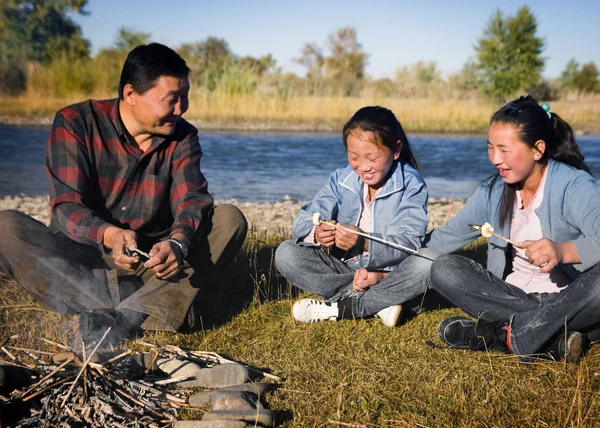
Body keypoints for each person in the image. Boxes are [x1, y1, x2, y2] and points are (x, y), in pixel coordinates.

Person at [0, 43, 247, 347]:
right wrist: (110, 234)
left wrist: (177, 243)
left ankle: (130, 313)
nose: (181, 108)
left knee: (230, 219)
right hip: (81, 262)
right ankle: (127, 308)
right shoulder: (75, 123)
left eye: (185, 97)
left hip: (150, 264)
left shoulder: (183, 135)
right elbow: (66, 208)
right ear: (130, 94)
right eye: (171, 99)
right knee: (5, 227)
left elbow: (192, 200)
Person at [425, 95, 600, 362]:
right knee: (444, 269)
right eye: (490, 148)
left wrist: (562, 251)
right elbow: (447, 236)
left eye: (504, 150)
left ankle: (507, 335)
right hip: (512, 296)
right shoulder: (493, 190)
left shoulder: (574, 185)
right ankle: (549, 334)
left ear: (537, 149)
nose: (495, 159)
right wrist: (379, 258)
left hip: (571, 296)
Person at [275, 106, 434, 327]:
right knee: (286, 253)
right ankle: (378, 301)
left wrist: (365, 241)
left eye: (372, 157)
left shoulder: (411, 183)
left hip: (389, 273)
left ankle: (344, 307)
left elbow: (410, 244)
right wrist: (317, 233)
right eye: (354, 157)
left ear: (395, 150)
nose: (364, 167)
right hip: (346, 269)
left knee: (429, 263)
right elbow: (304, 220)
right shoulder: (341, 179)